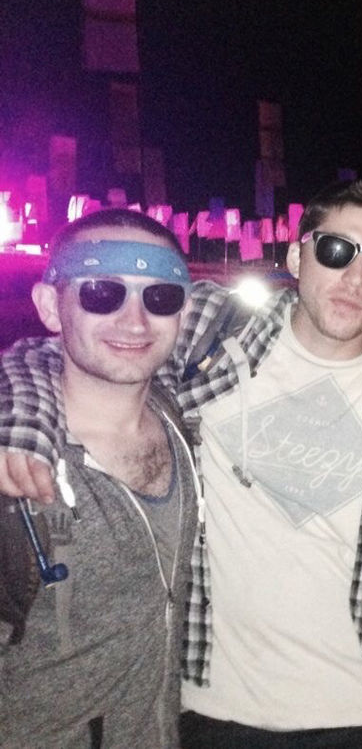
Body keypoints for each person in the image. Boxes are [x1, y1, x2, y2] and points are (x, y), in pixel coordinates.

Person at [0, 180, 362, 748]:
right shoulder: (217, 333)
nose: (354, 277)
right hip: (212, 710)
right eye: (336, 250)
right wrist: (23, 424)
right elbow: (67, 347)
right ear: (298, 256)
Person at [0, 209, 201, 748]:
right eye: (101, 293)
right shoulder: (10, 466)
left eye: (160, 297)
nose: (135, 322)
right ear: (51, 306)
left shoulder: (182, 420)